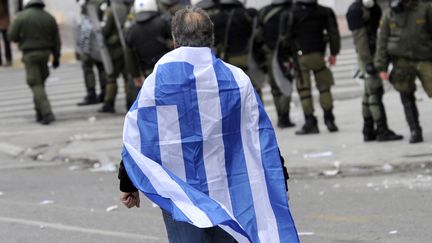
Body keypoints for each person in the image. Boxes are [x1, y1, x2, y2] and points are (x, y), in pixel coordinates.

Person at [118, 7, 298, 243]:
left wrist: (128, 182)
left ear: (174, 40)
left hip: (181, 192)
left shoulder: (158, 83)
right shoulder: (236, 80)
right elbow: (258, 135)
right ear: (211, 38)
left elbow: (140, 137)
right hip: (231, 189)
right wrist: (277, 177)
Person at [375, 0, 432, 143]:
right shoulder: (390, 14)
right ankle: (415, 130)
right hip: (401, 61)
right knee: (406, 96)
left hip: (423, 58)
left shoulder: (424, 8)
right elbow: (382, 42)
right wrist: (381, 67)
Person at [346, 0, 403, 142]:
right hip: (367, 57)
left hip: (374, 54)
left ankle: (368, 130)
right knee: (375, 92)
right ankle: (382, 130)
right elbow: (360, 40)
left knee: (368, 93)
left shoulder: (374, 8)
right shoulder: (355, 10)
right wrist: (368, 62)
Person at [283, 0, 340, 135]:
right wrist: (333, 53)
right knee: (325, 88)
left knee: (304, 91)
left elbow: (285, 38)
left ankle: (310, 122)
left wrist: (287, 57)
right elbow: (333, 33)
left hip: (300, 57)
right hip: (318, 55)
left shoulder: (291, 13)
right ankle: (329, 119)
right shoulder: (324, 11)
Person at [8, 0, 60, 125]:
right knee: (40, 83)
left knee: (35, 84)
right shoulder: (49, 17)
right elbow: (56, 40)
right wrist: (56, 57)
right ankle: (39, 112)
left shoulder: (21, 17)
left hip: (30, 54)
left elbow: (11, 36)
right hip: (45, 53)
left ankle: (47, 113)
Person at [254, 0, 295, 128]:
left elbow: (257, 36)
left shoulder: (264, 12)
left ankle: (281, 115)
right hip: (287, 54)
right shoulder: (292, 9)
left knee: (275, 87)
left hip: (270, 54)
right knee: (286, 83)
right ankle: (284, 116)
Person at [98, 0, 136, 113]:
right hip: (127, 47)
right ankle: (130, 102)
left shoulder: (110, 11)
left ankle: (109, 103)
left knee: (111, 77)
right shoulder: (128, 7)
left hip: (114, 49)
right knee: (127, 77)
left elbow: (104, 30)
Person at [124, 0, 172, 88]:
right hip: (169, 68)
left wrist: (136, 75)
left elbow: (129, 56)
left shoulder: (131, 30)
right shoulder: (163, 22)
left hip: (148, 72)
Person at [76, 0, 107, 106]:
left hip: (89, 38)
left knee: (88, 67)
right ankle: (104, 92)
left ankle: (92, 93)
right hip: (98, 38)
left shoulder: (88, 4)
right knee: (101, 67)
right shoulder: (99, 3)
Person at [0, 0, 12, 66]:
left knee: (7, 41)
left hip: (5, 22)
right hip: (5, 21)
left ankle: (8, 60)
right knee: (6, 41)